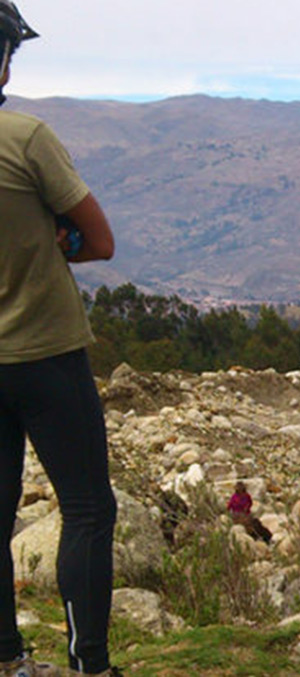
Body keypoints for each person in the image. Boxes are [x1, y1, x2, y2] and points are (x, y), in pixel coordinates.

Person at [0, 3, 120, 676]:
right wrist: (56, 238)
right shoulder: (26, 138)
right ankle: (88, 663)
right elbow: (100, 241)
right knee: (86, 507)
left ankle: (7, 658)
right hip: (45, 353)